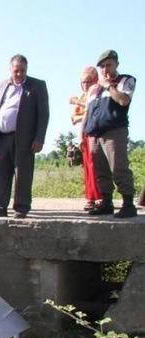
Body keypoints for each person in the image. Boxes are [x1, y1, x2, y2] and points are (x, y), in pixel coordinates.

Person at [0, 54, 49, 219]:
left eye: (23, 71)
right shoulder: (1, 86)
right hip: (1, 137)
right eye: (16, 71)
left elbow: (44, 114)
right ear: (10, 69)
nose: (19, 74)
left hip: (25, 137)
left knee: (23, 173)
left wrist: (39, 138)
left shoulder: (37, 85)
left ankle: (21, 207)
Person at [84, 50, 137, 218]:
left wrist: (109, 85)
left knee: (118, 167)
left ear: (116, 64)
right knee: (101, 171)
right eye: (102, 66)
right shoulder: (94, 89)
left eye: (109, 65)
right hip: (95, 133)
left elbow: (123, 100)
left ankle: (128, 203)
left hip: (114, 131)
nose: (105, 69)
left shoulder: (125, 80)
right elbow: (87, 112)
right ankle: (106, 202)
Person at [70, 67, 100, 211]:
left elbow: (94, 110)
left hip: (96, 133)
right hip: (84, 134)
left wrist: (78, 103)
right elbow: (74, 118)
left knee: (96, 166)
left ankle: (101, 198)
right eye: (83, 82)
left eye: (88, 81)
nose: (85, 85)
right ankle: (91, 198)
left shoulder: (98, 92)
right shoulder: (83, 96)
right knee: (88, 168)